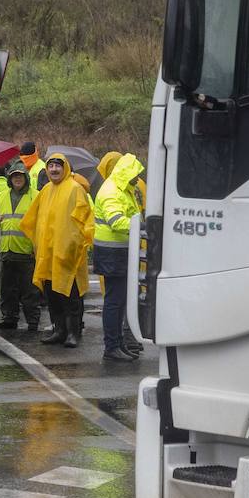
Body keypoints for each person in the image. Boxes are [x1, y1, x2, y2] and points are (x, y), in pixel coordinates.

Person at [21, 153, 94, 348]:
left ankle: (73, 333)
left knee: (71, 296)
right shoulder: (46, 190)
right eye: (50, 166)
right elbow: (34, 218)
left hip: (68, 255)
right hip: (48, 254)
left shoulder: (75, 190)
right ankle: (59, 330)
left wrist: (75, 245)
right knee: (52, 296)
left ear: (65, 168)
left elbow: (85, 220)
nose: (54, 169)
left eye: (57, 166)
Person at [94, 152, 145, 362]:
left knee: (120, 300)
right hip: (111, 253)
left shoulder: (125, 189)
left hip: (120, 252)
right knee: (114, 302)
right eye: (135, 175)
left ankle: (119, 343)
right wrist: (142, 226)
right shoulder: (111, 191)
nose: (137, 179)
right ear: (126, 173)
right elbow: (117, 222)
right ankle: (112, 346)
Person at [0, 160, 43, 331]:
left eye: (20, 176)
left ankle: (33, 321)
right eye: (14, 175)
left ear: (26, 178)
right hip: (6, 250)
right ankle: (9, 318)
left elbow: (41, 224)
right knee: (7, 290)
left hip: (27, 252)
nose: (17, 179)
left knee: (30, 291)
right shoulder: (2, 195)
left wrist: (36, 249)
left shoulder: (35, 196)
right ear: (10, 178)